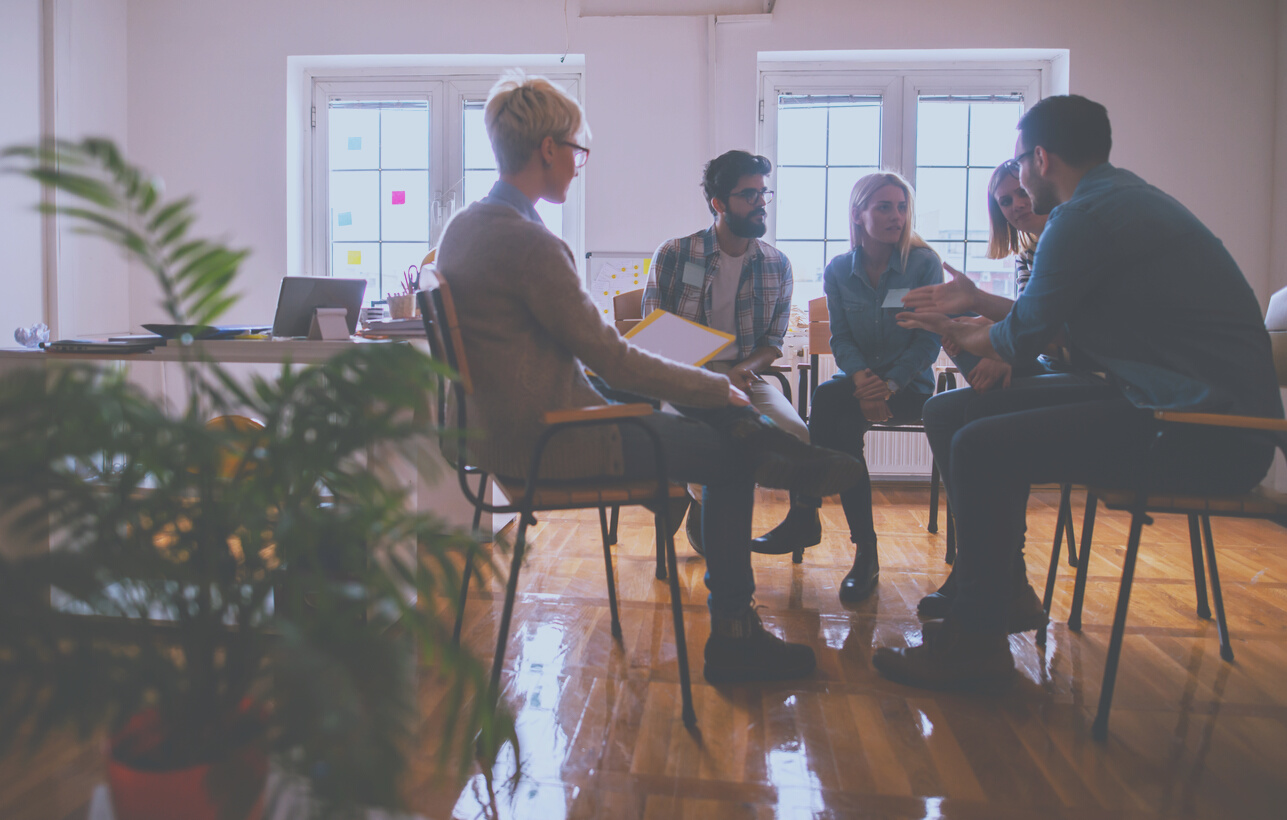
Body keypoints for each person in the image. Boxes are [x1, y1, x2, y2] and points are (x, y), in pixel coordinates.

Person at [435, 71, 864, 684]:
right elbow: (612, 356)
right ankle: (735, 634)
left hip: (499, 431)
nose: (581, 164)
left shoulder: (464, 228)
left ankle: (759, 440)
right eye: (578, 150)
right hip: (552, 439)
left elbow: (584, 356)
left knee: (711, 419)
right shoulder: (529, 243)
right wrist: (715, 387)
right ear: (549, 149)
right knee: (725, 455)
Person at [881, 94, 1283, 689]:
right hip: (1165, 401)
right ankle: (999, 589)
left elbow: (1023, 339)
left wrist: (960, 331)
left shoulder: (1084, 217)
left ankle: (979, 644)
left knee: (981, 444)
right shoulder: (1117, 199)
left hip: (1206, 432)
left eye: (1018, 164)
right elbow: (1061, 334)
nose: (1016, 178)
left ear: (1041, 158)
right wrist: (974, 327)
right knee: (949, 412)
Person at [756, 172, 943, 603]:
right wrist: (862, 379)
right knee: (829, 401)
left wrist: (889, 386)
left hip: (910, 386)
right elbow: (841, 338)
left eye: (901, 207)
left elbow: (928, 338)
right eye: (884, 207)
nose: (896, 216)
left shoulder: (923, 264)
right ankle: (858, 547)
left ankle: (813, 518)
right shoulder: (840, 270)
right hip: (860, 384)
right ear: (858, 215)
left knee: (833, 414)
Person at [643, 151, 814, 557]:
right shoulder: (675, 254)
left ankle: (801, 520)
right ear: (719, 204)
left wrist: (743, 369)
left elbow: (773, 340)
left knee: (797, 434)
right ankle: (706, 511)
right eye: (748, 195)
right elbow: (655, 334)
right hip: (684, 374)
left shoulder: (777, 264)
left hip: (745, 375)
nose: (760, 203)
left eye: (763, 193)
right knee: (705, 442)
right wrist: (703, 378)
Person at [916, 160, 1061, 627]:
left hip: (1072, 375)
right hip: (1046, 367)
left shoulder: (1065, 240)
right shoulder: (1028, 253)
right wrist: (991, 334)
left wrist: (1003, 342)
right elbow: (1025, 323)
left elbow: (1043, 331)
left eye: (1021, 193)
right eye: (1005, 200)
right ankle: (983, 568)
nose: (1016, 204)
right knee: (944, 406)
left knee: (977, 415)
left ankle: (988, 574)